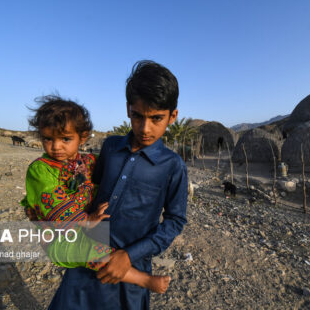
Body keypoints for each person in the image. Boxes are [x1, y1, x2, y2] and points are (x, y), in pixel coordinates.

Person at [48, 60, 188, 309]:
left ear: (173, 116)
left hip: (129, 269)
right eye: (138, 116)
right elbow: (92, 189)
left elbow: (175, 221)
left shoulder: (173, 166)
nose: (145, 128)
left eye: (157, 118)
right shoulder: (111, 147)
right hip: (86, 257)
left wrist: (129, 255)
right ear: (128, 109)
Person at [20, 96, 171, 294]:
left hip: (86, 231)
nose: (56, 147)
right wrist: (87, 220)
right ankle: (143, 280)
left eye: (65, 139)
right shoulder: (41, 169)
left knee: (111, 251)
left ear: (82, 137)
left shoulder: (90, 161)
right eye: (48, 139)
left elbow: (115, 171)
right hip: (59, 238)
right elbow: (55, 205)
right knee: (97, 253)